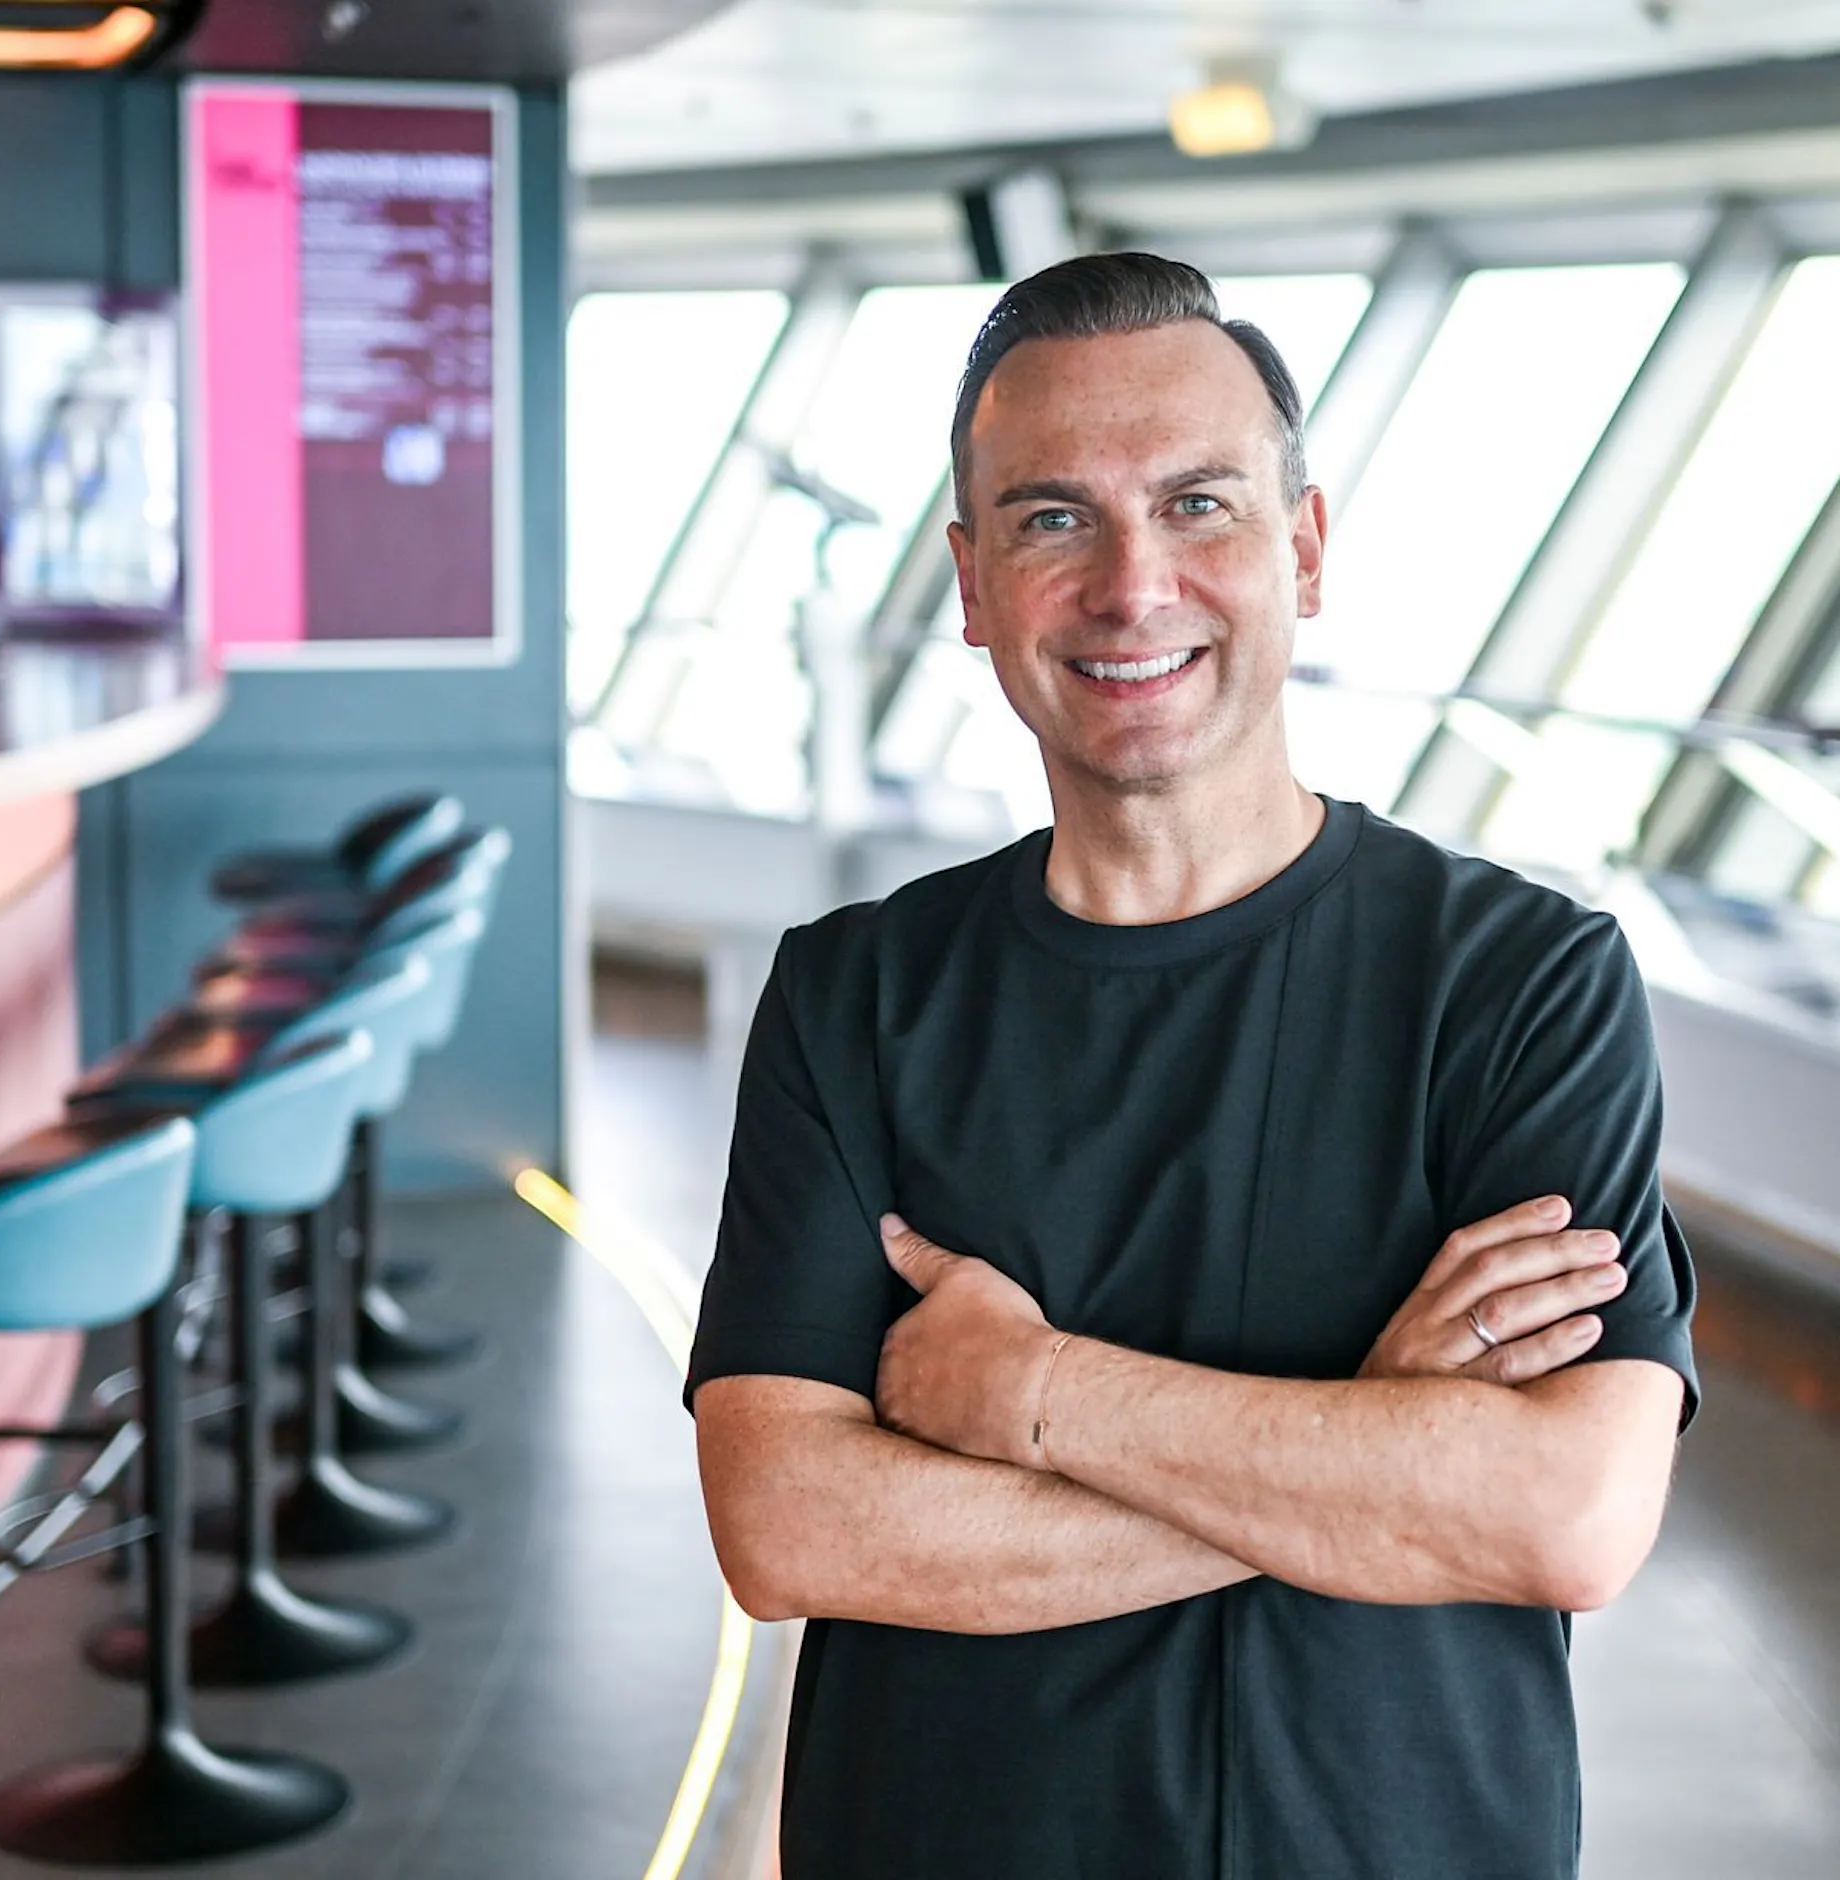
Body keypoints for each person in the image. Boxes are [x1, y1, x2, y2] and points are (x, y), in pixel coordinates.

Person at [687, 252, 1698, 1879]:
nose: (1132, 586)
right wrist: (1365, 1451)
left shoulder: (1520, 981)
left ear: (1303, 548)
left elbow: (1562, 1515)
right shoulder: (854, 995)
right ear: (968, 581)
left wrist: (1032, 1398)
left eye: (1201, 504)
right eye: (1050, 519)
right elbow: (789, 1527)